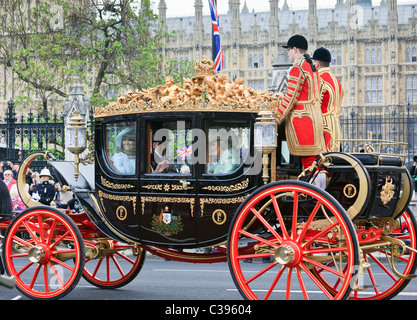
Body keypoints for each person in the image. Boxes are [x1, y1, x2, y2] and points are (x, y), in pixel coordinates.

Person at [273, 35, 326, 171]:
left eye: (289, 50)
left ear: (295, 49)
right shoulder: (310, 65)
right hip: (315, 118)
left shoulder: (297, 67)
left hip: (302, 119)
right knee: (314, 162)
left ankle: (311, 192)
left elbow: (290, 97)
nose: (288, 53)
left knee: (308, 161)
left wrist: (276, 118)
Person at [312, 47, 344, 152]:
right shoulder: (338, 83)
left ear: (316, 63)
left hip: (323, 129)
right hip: (336, 130)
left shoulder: (318, 80)